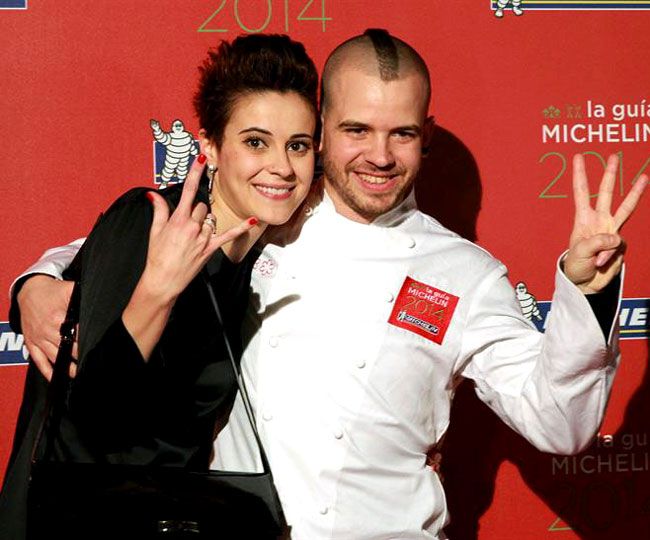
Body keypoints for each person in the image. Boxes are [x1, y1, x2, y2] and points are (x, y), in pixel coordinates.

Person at [6, 29, 648, 539]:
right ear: (324, 128)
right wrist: (36, 281)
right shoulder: (270, 213)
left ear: (425, 136)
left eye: (402, 133)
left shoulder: (467, 274)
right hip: (233, 528)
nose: (379, 155)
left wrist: (585, 292)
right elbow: (137, 241)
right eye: (355, 131)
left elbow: (561, 425)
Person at [0, 33, 318, 539]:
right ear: (210, 146)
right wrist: (158, 290)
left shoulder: (257, 250)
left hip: (176, 516)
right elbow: (92, 415)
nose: (281, 166)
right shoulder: (147, 221)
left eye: (298, 145)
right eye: (255, 142)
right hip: (82, 519)